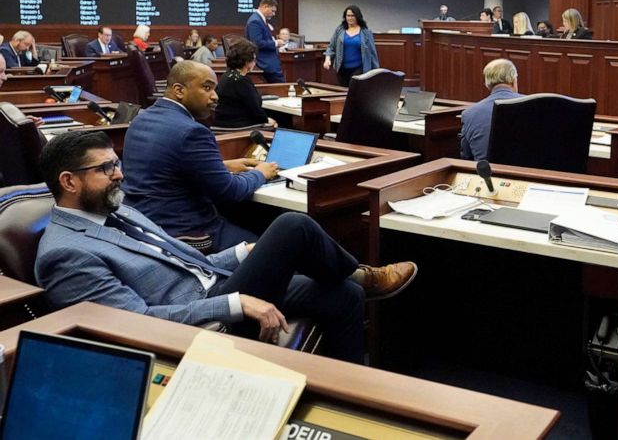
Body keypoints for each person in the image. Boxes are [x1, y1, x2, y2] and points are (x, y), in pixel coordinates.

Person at [36, 129, 417, 362]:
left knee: (343, 294)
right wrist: (237, 303)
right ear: (69, 182)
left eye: (117, 162)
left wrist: (238, 254)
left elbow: (185, 260)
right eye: (105, 169)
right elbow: (138, 322)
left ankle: (347, 397)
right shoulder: (65, 254)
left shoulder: (117, 209)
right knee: (292, 226)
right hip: (202, 322)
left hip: (216, 283)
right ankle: (364, 274)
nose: (119, 174)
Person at [120, 60, 270, 246]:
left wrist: (222, 166)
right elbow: (230, 191)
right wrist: (260, 173)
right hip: (185, 232)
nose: (215, 96)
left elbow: (160, 169)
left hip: (142, 225)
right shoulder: (192, 132)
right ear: (179, 90)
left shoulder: (140, 120)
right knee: (268, 244)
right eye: (207, 88)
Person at [460, 59, 523, 161]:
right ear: (513, 80)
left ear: (487, 84)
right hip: (530, 174)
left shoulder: (469, 114)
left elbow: (466, 156)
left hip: (486, 175)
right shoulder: (536, 106)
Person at [214, 39, 274, 129]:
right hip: (239, 127)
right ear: (247, 61)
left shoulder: (226, 75)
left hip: (224, 124)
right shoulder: (241, 80)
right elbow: (256, 109)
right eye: (254, 59)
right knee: (282, 123)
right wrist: (267, 120)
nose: (255, 62)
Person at [323, 5, 380, 87]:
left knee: (353, 91)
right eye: (348, 15)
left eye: (352, 15)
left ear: (357, 16)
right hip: (342, 69)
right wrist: (327, 59)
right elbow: (331, 47)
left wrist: (376, 71)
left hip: (358, 68)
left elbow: (372, 53)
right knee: (343, 93)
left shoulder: (366, 32)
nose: (350, 18)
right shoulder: (340, 30)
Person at [245, 0, 284, 83]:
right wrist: (276, 43)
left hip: (268, 59)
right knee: (281, 87)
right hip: (264, 61)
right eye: (272, 11)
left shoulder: (260, 20)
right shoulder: (255, 21)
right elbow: (257, 43)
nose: (274, 14)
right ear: (265, 6)